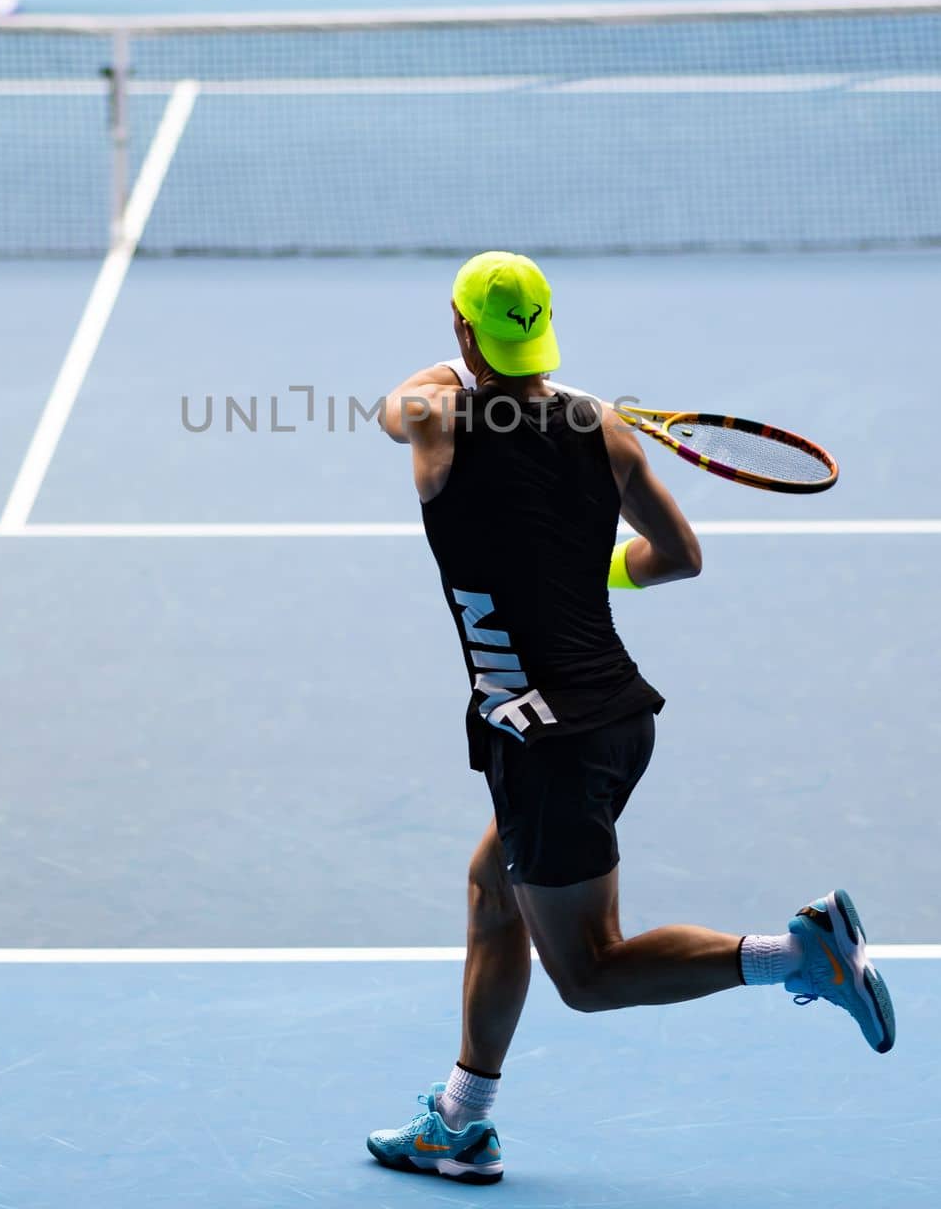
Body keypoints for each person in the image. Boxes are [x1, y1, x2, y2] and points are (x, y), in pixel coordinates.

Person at [369, 250, 895, 1186]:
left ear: (460, 331)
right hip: (595, 716)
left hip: (551, 741)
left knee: (590, 973)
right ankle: (460, 1119)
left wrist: (477, 370)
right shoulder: (604, 432)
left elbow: (390, 405)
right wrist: (590, 535)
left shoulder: (440, 419)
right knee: (494, 893)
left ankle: (794, 955)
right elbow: (677, 555)